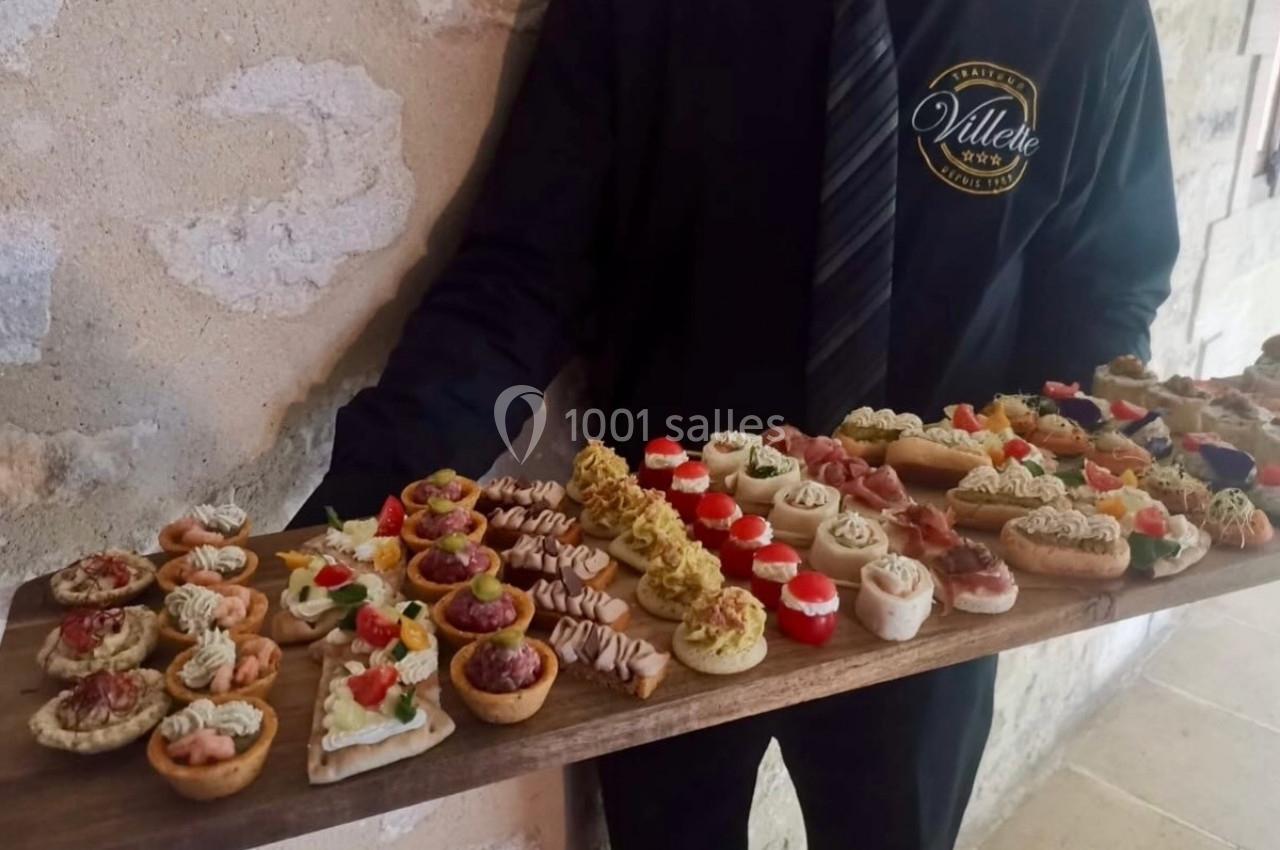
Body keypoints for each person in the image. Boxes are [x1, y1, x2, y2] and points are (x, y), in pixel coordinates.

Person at [294, 0, 1178, 847]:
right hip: (664, 572)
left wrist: (1051, 486)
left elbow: (1105, 283)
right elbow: (521, 274)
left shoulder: (1085, 14)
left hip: (927, 587)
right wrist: (354, 518)